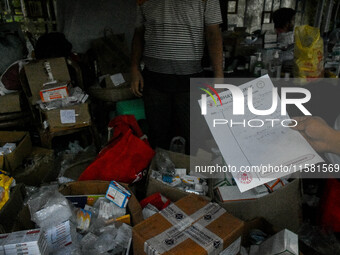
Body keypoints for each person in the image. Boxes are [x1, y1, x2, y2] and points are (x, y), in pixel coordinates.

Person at [130, 0, 223, 152]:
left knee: (194, 137)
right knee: (157, 137)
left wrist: (219, 76)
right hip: (154, 79)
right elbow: (139, 32)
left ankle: (192, 175)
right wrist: (134, 68)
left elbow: (214, 33)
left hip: (191, 79)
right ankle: (159, 174)